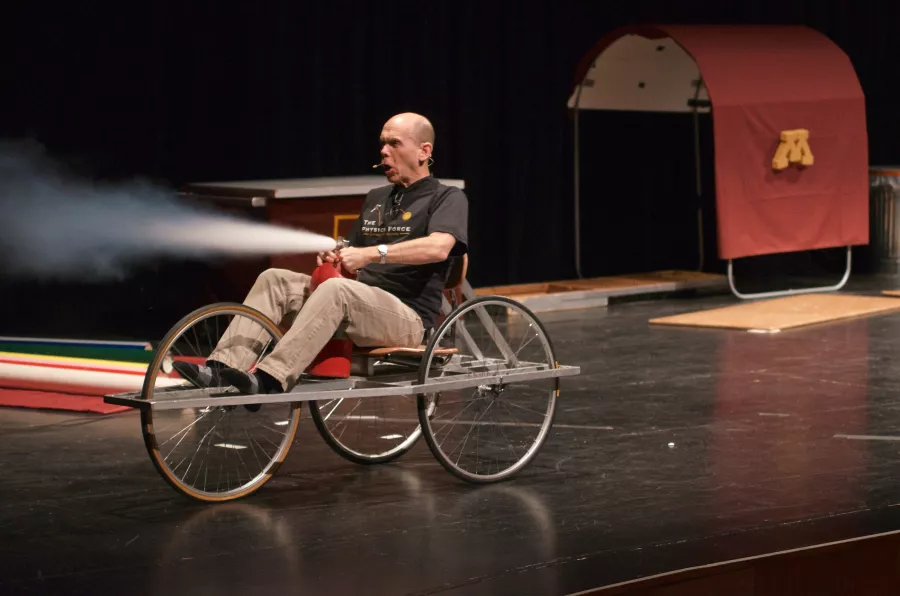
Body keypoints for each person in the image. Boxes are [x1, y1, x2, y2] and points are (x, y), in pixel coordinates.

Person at [172, 112, 468, 395]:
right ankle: (222, 369)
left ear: (423, 151)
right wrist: (337, 256)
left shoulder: (447, 197)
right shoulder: (377, 199)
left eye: (394, 143)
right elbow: (352, 253)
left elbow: (439, 247)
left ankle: (271, 377)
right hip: (358, 302)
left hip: (408, 319)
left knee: (337, 290)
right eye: (382, 143)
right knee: (274, 279)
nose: (384, 151)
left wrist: (371, 254)